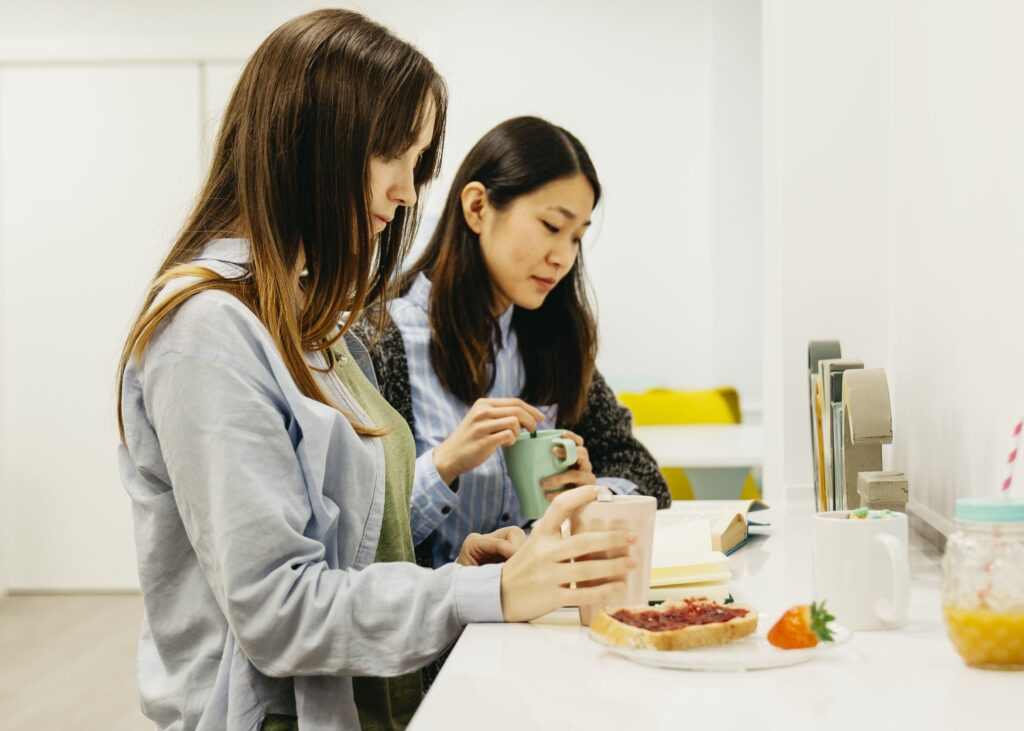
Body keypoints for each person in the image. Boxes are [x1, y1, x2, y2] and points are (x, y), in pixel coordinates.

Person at [116, 12, 632, 731]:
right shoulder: (207, 331)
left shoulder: (310, 321)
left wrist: (463, 572)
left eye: (418, 163)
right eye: (392, 154)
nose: (407, 191)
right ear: (311, 139)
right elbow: (278, 609)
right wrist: (475, 595)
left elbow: (345, 550)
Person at [353, 116, 671, 570]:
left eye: (577, 237)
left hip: (539, 619)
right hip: (439, 632)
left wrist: (594, 494)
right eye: (551, 225)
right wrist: (443, 464)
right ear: (478, 207)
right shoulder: (379, 341)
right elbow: (354, 539)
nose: (564, 256)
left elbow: (643, 478)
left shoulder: (554, 338)